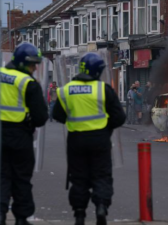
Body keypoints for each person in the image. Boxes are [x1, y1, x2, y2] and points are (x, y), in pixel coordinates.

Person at [52, 53, 126, 225]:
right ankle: (101, 206)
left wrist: (73, 119)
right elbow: (119, 117)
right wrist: (106, 126)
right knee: (101, 175)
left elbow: (57, 115)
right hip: (100, 139)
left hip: (76, 140)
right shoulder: (103, 90)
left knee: (79, 177)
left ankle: (79, 213)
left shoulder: (66, 90)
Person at [0, 42, 48, 225]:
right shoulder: (28, 83)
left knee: (1, 178)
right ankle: (21, 218)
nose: (35, 68)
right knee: (21, 179)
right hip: (20, 136)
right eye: (32, 64)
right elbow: (41, 117)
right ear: (22, 63)